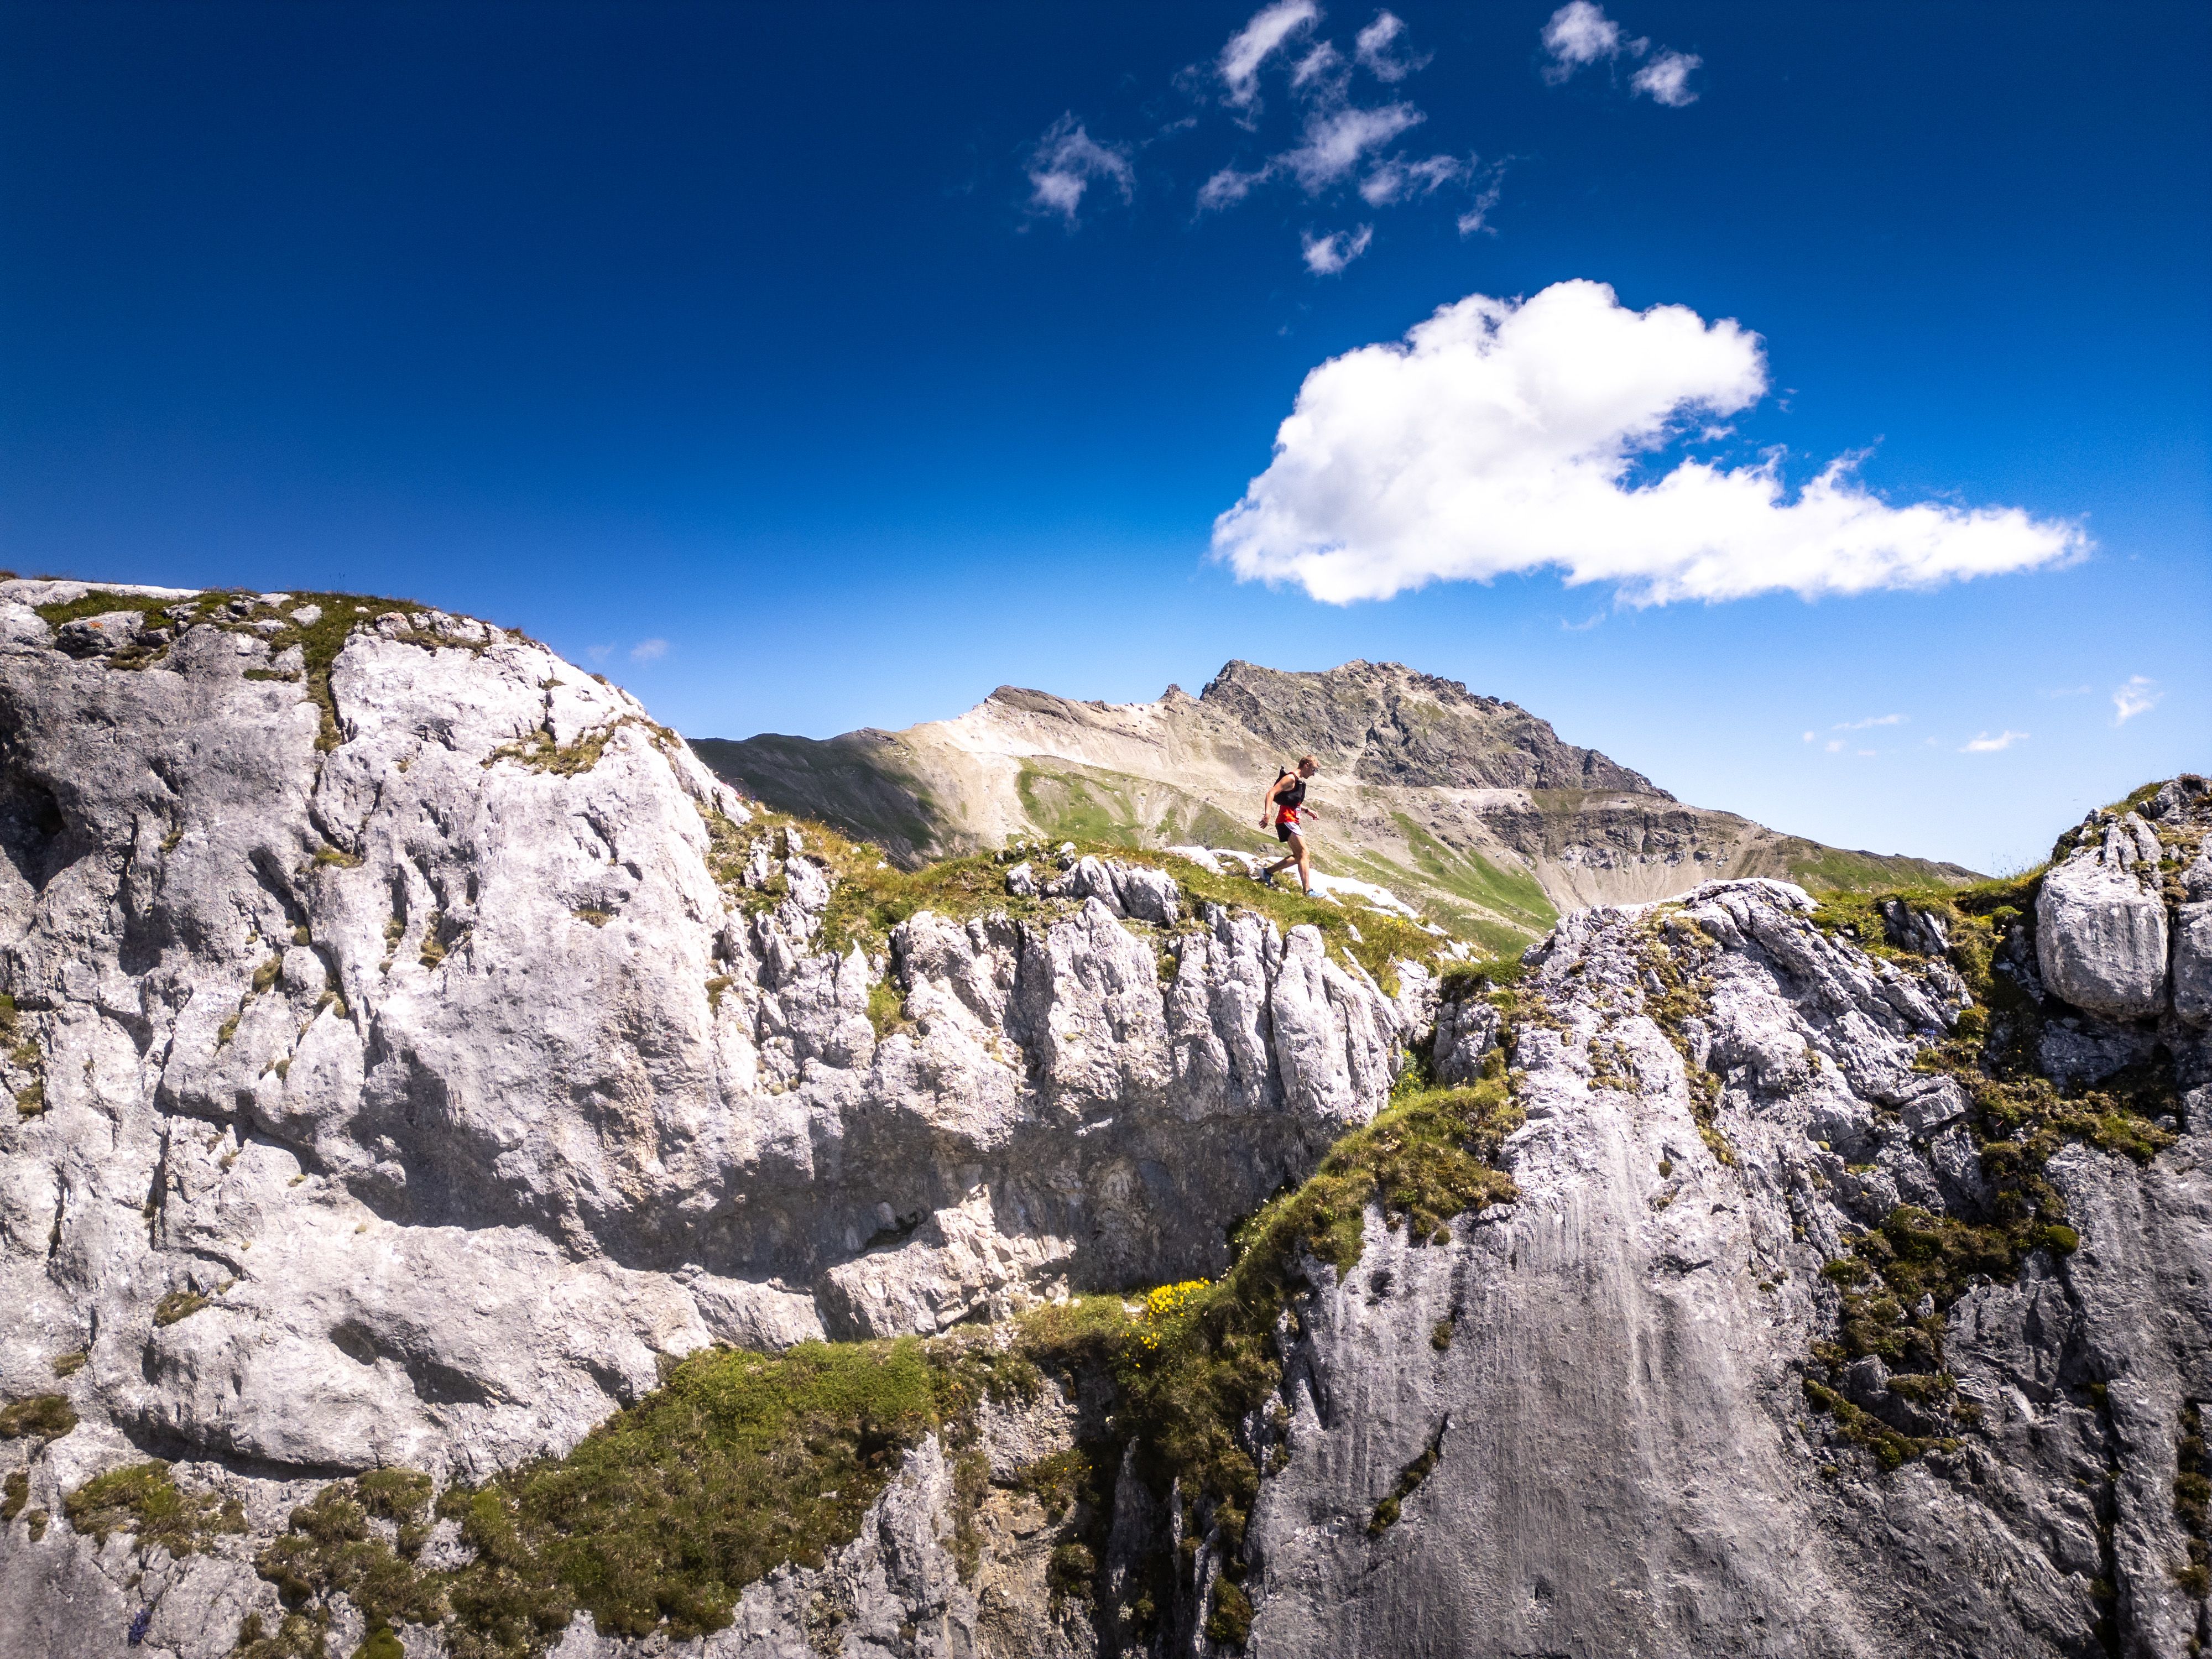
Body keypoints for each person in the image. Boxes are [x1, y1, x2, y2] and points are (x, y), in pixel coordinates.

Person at [1256, 756, 1319, 895]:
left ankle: (1267, 872)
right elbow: (1271, 793)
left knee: (1299, 856)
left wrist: (1307, 810)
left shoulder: (1297, 781)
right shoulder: (1291, 778)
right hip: (1287, 820)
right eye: (1314, 770)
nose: (1314, 774)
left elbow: (1291, 801)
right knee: (1305, 854)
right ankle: (1308, 892)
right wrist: (1267, 814)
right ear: (1307, 766)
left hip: (1291, 820)